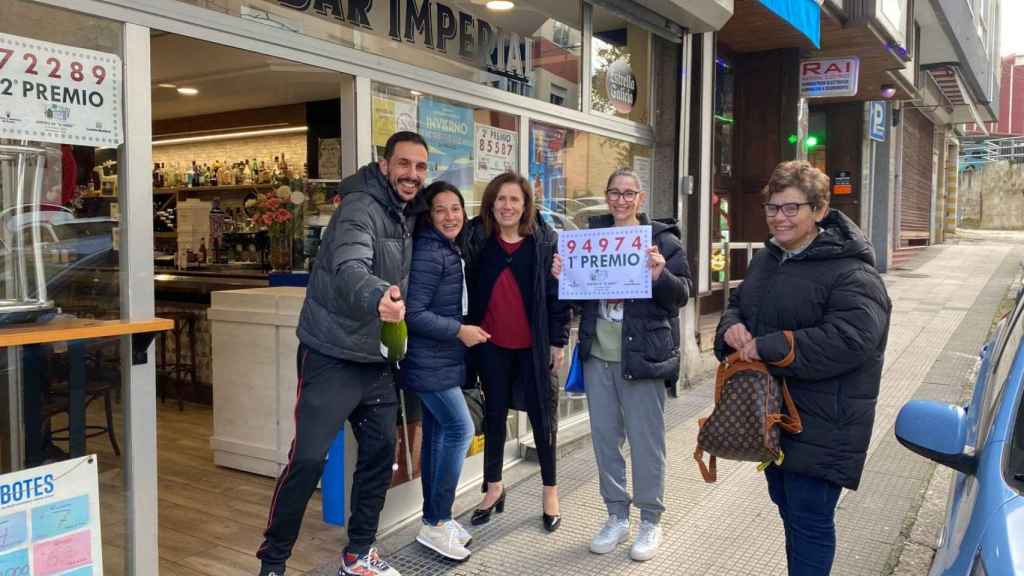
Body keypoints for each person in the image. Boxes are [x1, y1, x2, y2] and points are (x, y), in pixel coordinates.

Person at [256, 131, 431, 576]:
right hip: (331, 354)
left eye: (420, 167)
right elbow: (350, 265)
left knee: (379, 455)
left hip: (375, 359)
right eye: (404, 164)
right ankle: (273, 563)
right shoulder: (360, 207)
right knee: (308, 459)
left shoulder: (410, 211)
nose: (412, 174)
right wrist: (378, 297)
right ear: (385, 165)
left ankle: (358, 554)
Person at [713, 160, 892, 575]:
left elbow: (852, 338)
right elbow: (738, 305)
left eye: (792, 208)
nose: (780, 217)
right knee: (788, 509)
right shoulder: (768, 259)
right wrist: (731, 329)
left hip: (825, 423)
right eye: (773, 208)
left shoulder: (851, 270)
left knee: (810, 520)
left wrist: (767, 346)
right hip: (772, 416)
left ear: (820, 210)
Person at [551, 168, 691, 562]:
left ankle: (650, 519)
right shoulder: (589, 240)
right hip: (598, 356)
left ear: (640, 198)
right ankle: (616, 515)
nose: (621, 200)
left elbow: (681, 295)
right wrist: (563, 278)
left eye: (629, 193)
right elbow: (576, 301)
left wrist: (661, 274)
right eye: (615, 192)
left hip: (643, 356)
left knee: (647, 442)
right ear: (607, 196)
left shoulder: (663, 241)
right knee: (604, 439)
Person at [462, 172, 571, 532]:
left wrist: (558, 341)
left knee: (543, 419)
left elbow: (557, 296)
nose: (507, 206)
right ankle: (493, 487)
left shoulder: (543, 243)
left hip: (533, 348)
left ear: (526, 206)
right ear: (491, 204)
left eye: (514, 200)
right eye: (501, 199)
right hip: (490, 346)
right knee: (494, 417)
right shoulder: (478, 240)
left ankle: (550, 491)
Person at [402, 181, 490, 561]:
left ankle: (435, 520)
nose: (450, 216)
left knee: (438, 436)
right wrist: (459, 331)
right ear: (429, 215)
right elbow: (414, 313)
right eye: (440, 210)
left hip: (441, 359)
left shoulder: (447, 249)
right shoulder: (430, 251)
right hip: (428, 361)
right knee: (460, 429)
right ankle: (436, 522)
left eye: (456, 208)